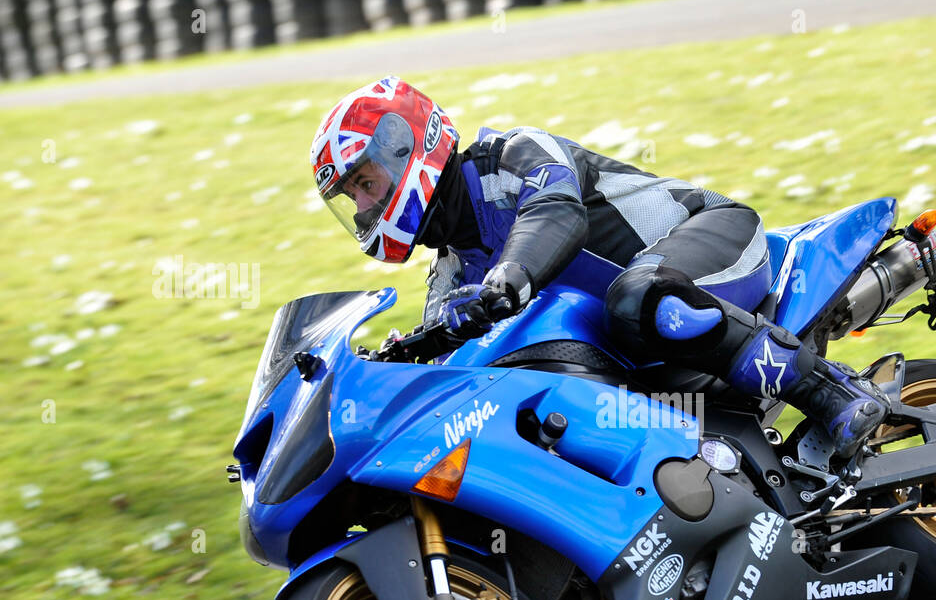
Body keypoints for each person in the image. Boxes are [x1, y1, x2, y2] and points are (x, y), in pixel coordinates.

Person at [310, 76, 887, 457]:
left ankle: (832, 394)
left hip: (711, 239)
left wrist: (506, 280)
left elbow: (556, 211)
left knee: (640, 298)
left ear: (405, 146)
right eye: (352, 196)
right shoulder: (448, 277)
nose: (363, 206)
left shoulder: (510, 154)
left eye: (365, 182)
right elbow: (455, 379)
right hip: (634, 352)